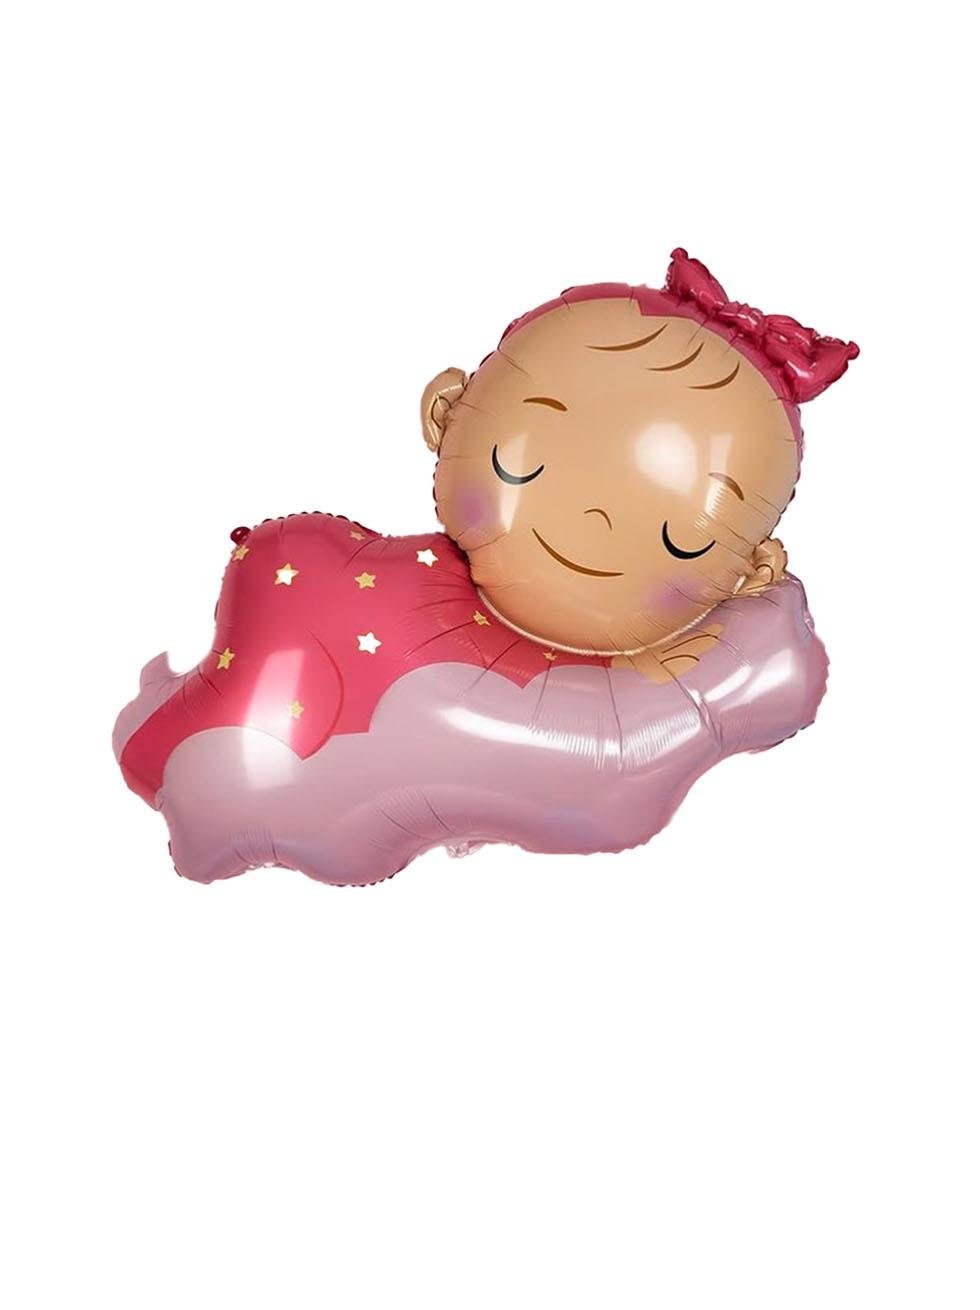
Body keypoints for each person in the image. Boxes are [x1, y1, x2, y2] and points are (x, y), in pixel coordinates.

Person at [114, 250, 857, 884]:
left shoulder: (634, 709)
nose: (591, 523)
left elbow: (602, 792)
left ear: (751, 573)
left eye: (678, 539)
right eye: (520, 464)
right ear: (446, 413)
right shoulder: (324, 575)